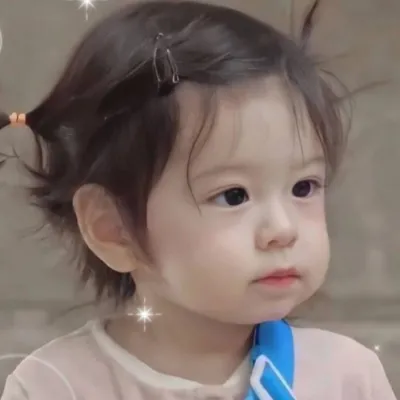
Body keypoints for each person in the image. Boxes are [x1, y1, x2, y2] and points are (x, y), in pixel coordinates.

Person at [0, 1, 396, 399]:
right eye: (234, 195)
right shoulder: (54, 386)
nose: (283, 229)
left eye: (304, 187)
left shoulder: (345, 377)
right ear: (113, 229)